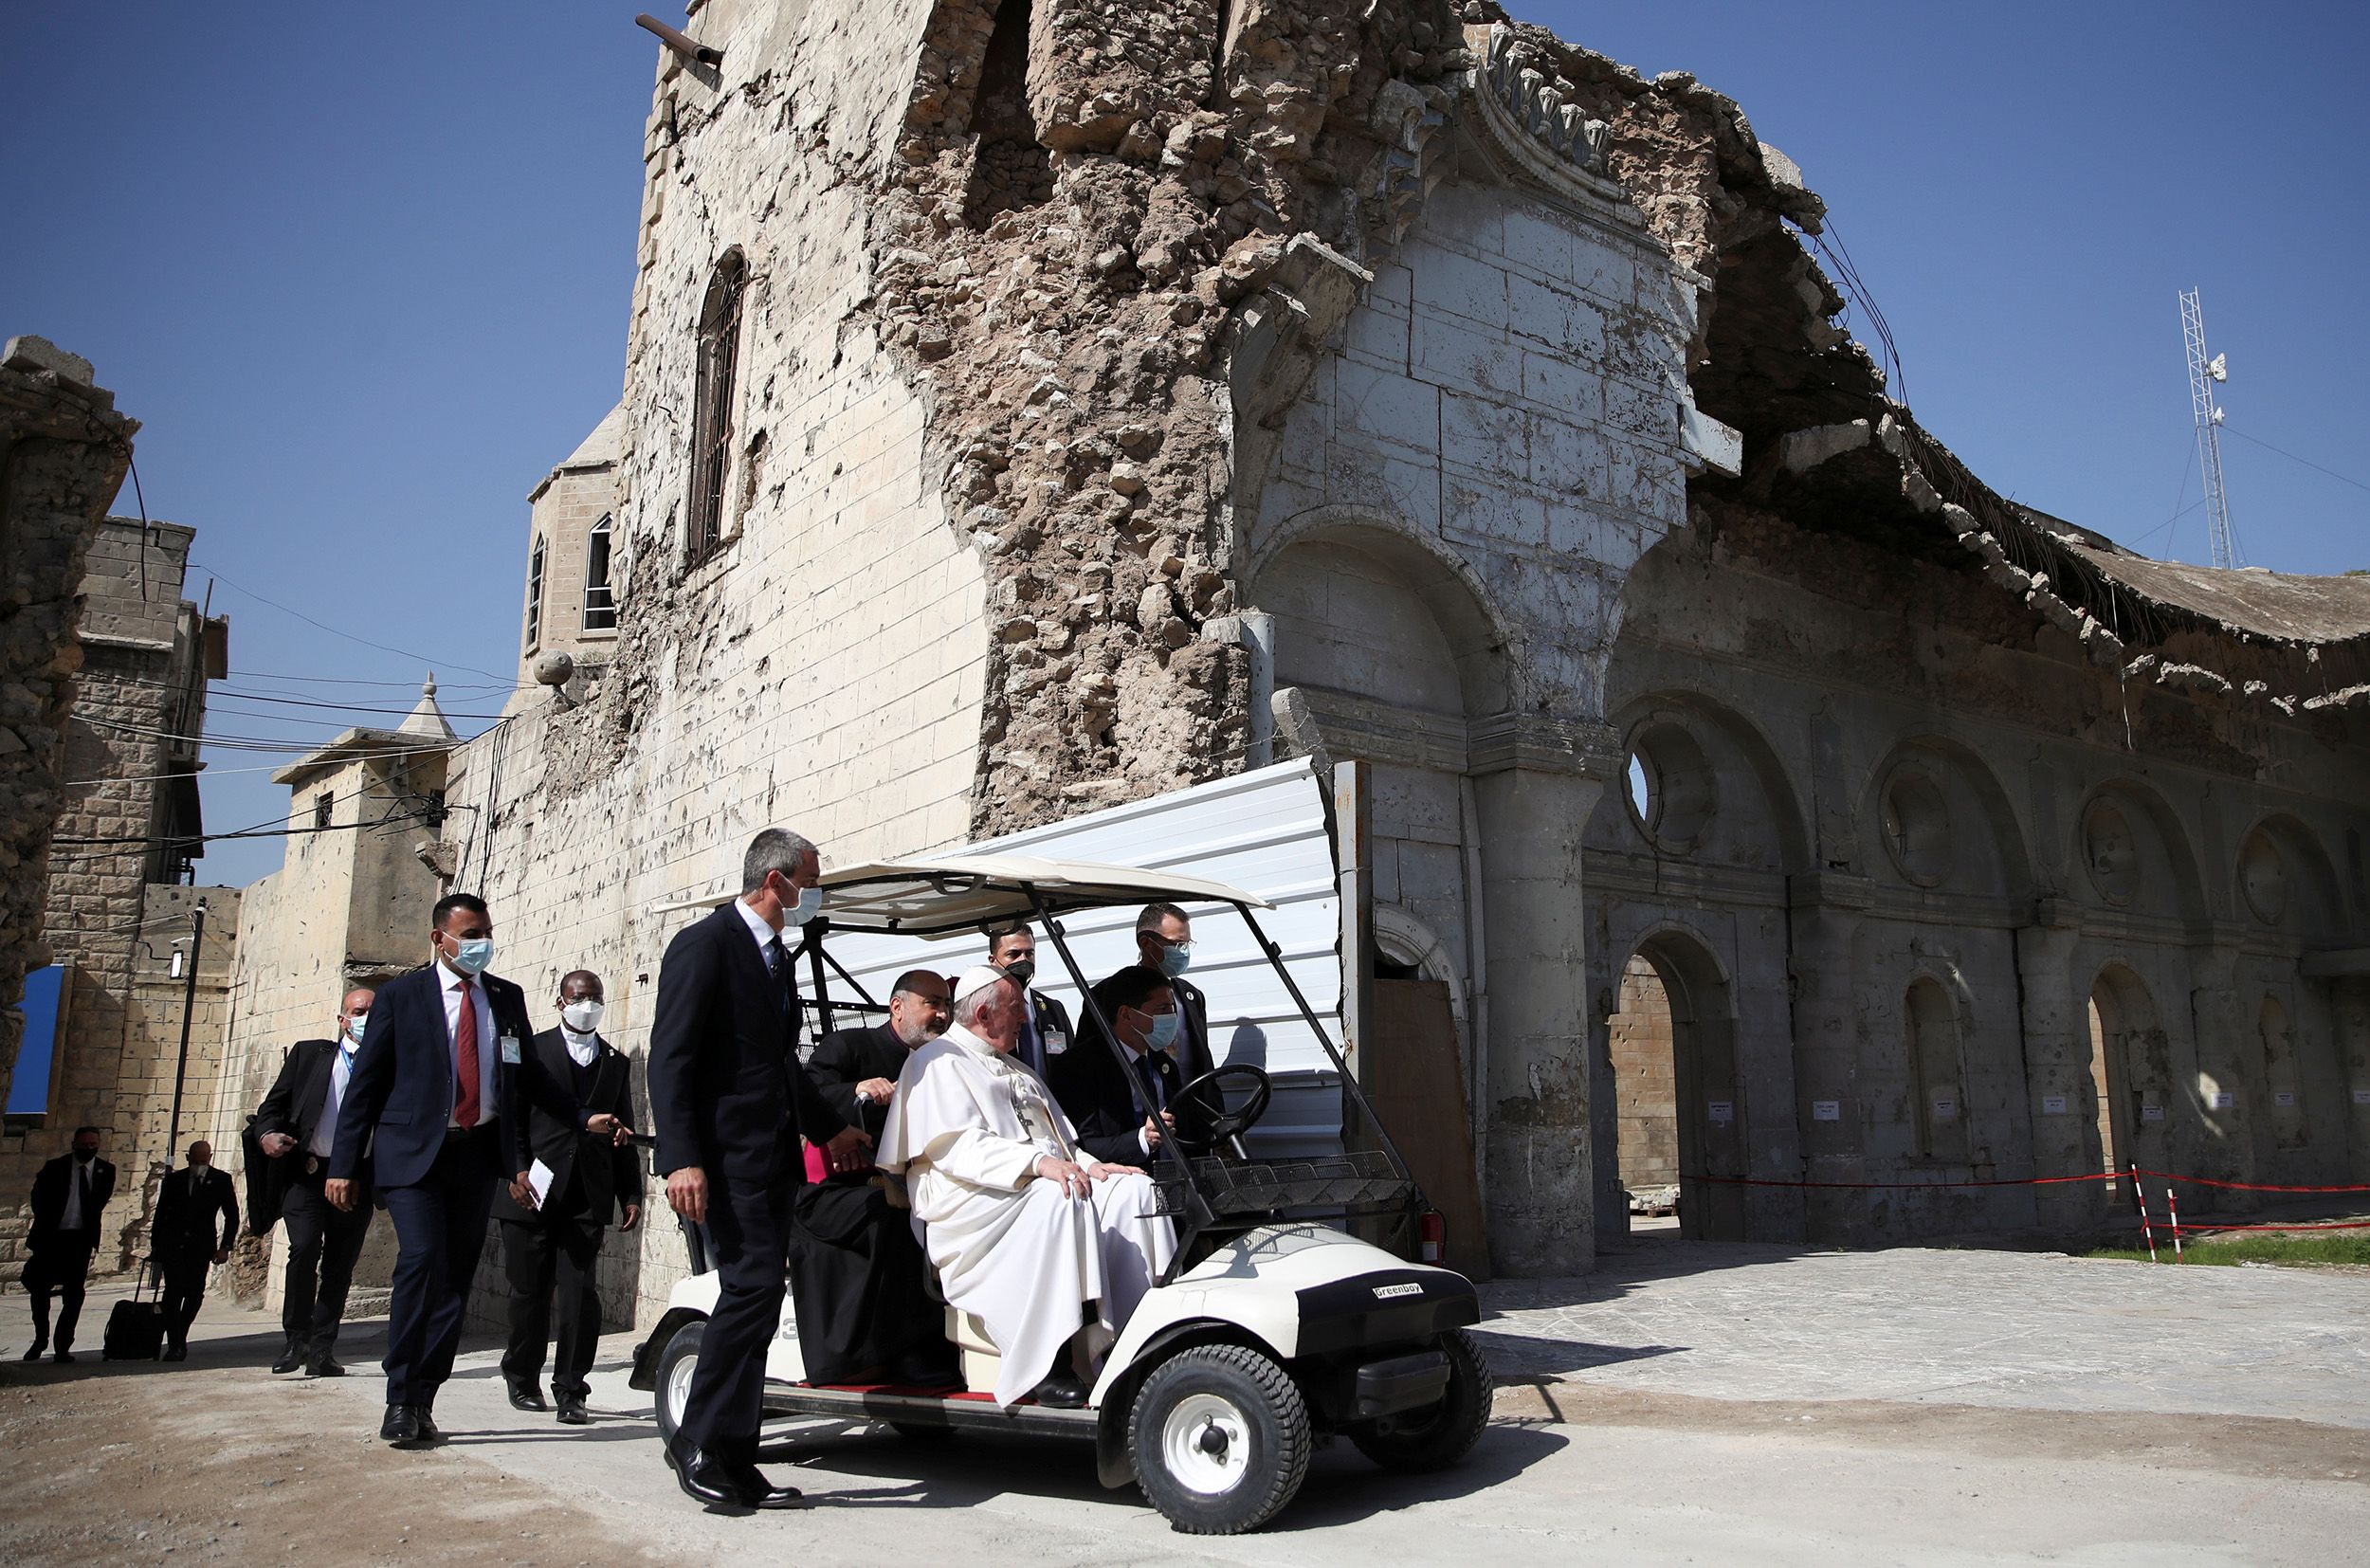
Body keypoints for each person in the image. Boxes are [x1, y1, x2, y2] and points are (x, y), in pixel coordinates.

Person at [326, 894, 627, 1449]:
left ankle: (424, 1396)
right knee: (420, 1260)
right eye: (468, 934)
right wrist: (344, 1164)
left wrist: (583, 1117)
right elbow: (364, 1088)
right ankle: (399, 1398)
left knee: (453, 1282)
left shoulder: (506, 1000)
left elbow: (530, 1078)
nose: (479, 944)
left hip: (474, 1159)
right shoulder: (402, 998)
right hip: (414, 1157)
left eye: (485, 932)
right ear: (439, 938)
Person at [648, 829, 870, 1511]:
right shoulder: (705, 945)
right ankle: (701, 1441)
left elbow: (777, 1064)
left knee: (761, 1301)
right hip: (723, 1160)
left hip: (772, 1158)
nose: (816, 891)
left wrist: (831, 1129)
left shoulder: (776, 956)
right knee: (746, 1292)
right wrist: (681, 1157)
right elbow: (671, 1058)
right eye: (811, 877)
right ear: (775, 881)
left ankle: (736, 1455)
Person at [878, 968, 1176, 1411]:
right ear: (983, 1013)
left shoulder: (1016, 1067)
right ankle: (1050, 1361)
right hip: (968, 1204)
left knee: (1136, 1191)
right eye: (1016, 1010)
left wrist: (1093, 1166)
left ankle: (1138, 1341)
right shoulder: (936, 1061)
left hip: (1031, 1187)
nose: (1024, 1020)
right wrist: (1038, 1165)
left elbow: (1061, 1142)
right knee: (1059, 1197)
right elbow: (956, 1148)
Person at [788, 968, 959, 1389]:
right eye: (932, 1003)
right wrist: (856, 1090)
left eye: (946, 1005)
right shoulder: (849, 1046)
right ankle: (906, 1350)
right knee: (900, 1219)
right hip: (835, 1192)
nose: (941, 1014)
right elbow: (807, 1095)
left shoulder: (947, 1060)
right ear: (897, 1007)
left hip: (920, 1182)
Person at [494, 969, 643, 1425]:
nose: (589, 1004)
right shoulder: (531, 1050)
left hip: (586, 1194)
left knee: (580, 1294)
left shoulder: (615, 1062)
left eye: (596, 997)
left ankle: (572, 1388)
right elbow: (511, 1119)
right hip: (532, 1189)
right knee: (530, 1291)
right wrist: (515, 1170)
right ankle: (521, 1377)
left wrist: (630, 1192)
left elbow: (624, 1128)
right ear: (561, 1002)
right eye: (580, 997)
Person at [254, 987, 377, 1376]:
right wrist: (267, 1134)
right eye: (358, 1011)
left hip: (356, 1178)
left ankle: (323, 1348)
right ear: (342, 1019)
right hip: (307, 1174)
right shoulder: (310, 1055)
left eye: (373, 1011)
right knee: (304, 1250)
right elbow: (272, 1107)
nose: (365, 1017)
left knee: (340, 1265)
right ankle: (296, 1339)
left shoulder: (388, 1063)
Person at [1048, 965, 1211, 1166]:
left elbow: (1186, 1127)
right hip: (1121, 1187)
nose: (1171, 1017)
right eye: (1161, 1010)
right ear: (1126, 1014)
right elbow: (1081, 1146)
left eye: (1172, 1009)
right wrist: (1142, 1139)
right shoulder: (1078, 1068)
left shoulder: (1163, 1062)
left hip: (1176, 1182)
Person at [21, 1127, 116, 1363]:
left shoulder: (106, 1170)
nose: (89, 1148)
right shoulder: (55, 1167)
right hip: (51, 1238)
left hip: (80, 1240)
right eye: (84, 1144)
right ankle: (40, 1338)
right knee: (40, 1290)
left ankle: (63, 1346)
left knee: (74, 1296)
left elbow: (99, 1202)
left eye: (93, 1144)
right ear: (74, 1144)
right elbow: (38, 1197)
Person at [148, 1140, 238, 1361]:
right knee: (173, 1293)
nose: (199, 1165)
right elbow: (161, 1214)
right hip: (174, 1245)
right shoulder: (174, 1181)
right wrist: (156, 1245)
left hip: (201, 1246)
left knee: (194, 1294)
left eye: (203, 1161)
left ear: (210, 1158)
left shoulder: (220, 1180)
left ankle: (180, 1333)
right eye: (195, 1161)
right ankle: (175, 1343)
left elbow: (231, 1216)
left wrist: (225, 1247)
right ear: (187, 1159)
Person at [1135, 903, 1214, 1082]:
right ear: (1146, 944)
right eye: (1177, 945)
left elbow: (1203, 1061)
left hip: (1191, 1103)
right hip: (1145, 1106)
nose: (1184, 952)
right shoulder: (1110, 995)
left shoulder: (1191, 995)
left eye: (1187, 944)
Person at [983, 922, 1074, 1076]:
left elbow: (1072, 1063)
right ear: (993, 960)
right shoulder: (983, 1013)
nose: (1023, 960)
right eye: (1013, 954)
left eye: (1029, 954)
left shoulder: (1053, 1010)